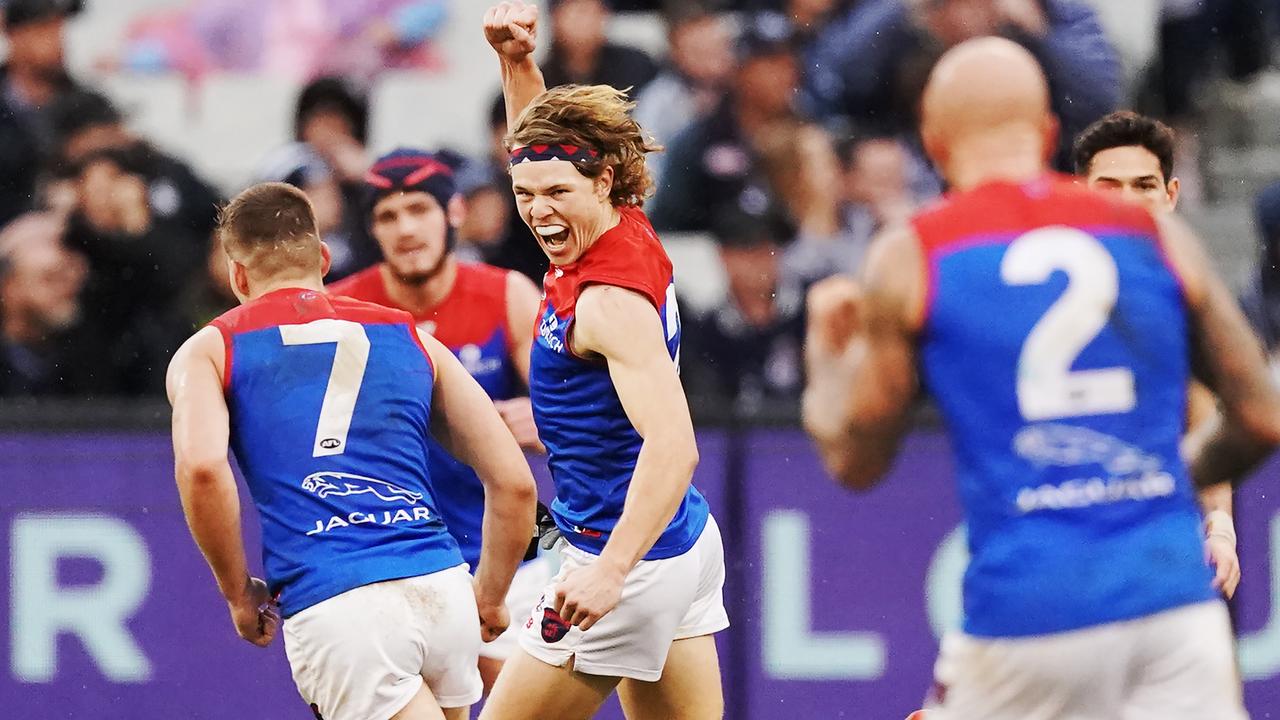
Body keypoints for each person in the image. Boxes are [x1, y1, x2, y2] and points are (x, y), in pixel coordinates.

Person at [802, 37, 1280, 718]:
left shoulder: (912, 255)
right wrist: (1168, 477)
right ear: (1050, 133)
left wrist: (825, 360)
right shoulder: (1155, 236)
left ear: (933, 144)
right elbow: (1261, 415)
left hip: (1028, 610)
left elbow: (856, 462)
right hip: (1172, 604)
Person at [166, 182, 537, 720]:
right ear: (322, 257)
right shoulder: (410, 335)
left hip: (340, 599)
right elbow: (513, 480)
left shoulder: (211, 348)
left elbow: (202, 468)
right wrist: (492, 594)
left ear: (237, 274)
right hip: (441, 583)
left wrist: (237, 591)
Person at [478, 3, 728, 719]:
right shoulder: (619, 224)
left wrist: (609, 575)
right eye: (525, 195)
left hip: (623, 561)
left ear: (606, 181)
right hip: (675, 540)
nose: (538, 212)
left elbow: (675, 445)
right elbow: (540, 148)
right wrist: (517, 63)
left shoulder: (608, 303)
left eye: (557, 194)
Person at [328, 147, 551, 692]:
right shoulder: (338, 314)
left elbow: (577, 412)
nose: (406, 229)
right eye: (387, 216)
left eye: (420, 210)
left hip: (506, 563)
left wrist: (545, 423)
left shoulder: (506, 295)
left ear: (454, 213)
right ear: (371, 231)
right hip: (392, 563)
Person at [1073, 109, 1240, 599]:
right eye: (1109, 186)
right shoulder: (1038, 291)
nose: (1128, 201)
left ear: (1170, 195)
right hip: (1061, 550)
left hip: (1162, 548)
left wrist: (1220, 529)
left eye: (1144, 185)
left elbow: (1203, 417)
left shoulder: (1189, 298)